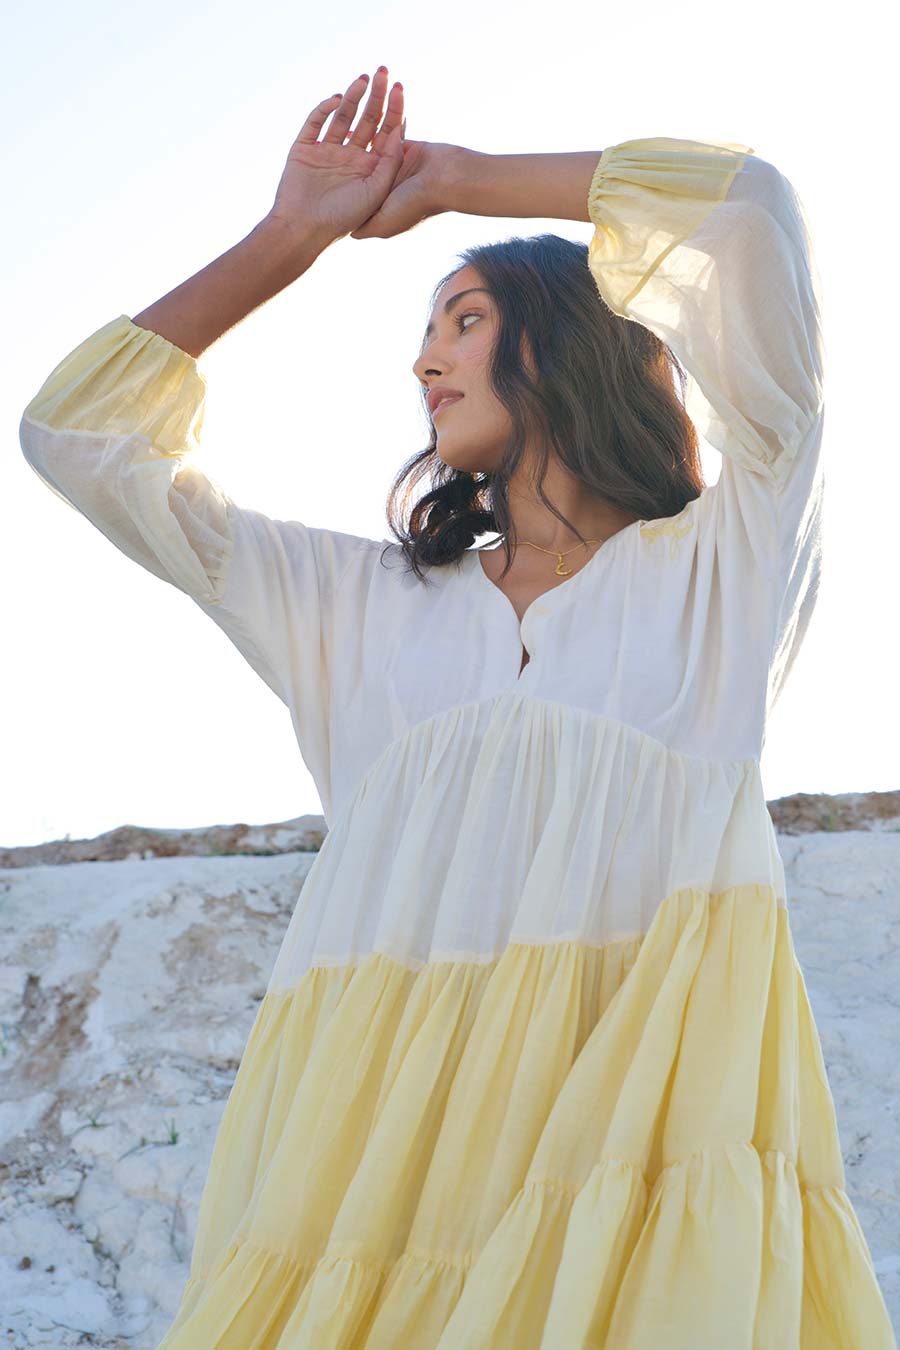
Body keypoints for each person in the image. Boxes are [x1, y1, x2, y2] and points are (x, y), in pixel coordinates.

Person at [19, 64, 895, 1350]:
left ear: (572, 333)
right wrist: (290, 238)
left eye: (466, 318)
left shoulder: (725, 562)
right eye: (429, 328)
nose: (425, 359)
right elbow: (76, 436)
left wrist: (454, 184)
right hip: (370, 1163)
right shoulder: (353, 605)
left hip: (635, 1142)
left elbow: (748, 211)